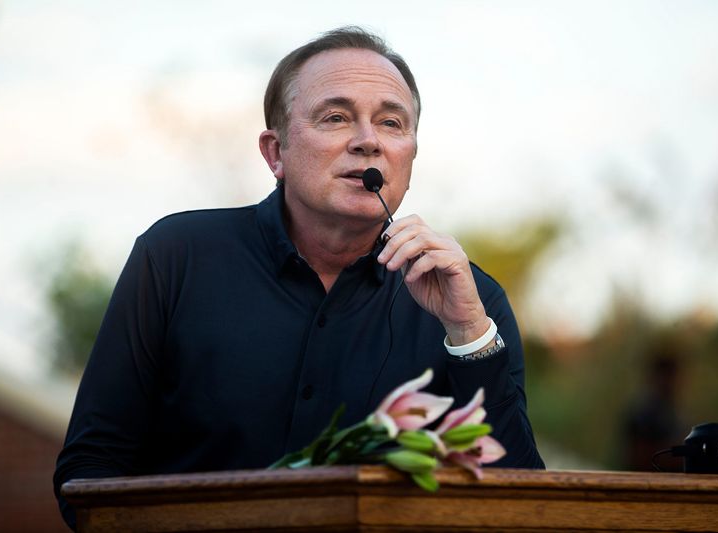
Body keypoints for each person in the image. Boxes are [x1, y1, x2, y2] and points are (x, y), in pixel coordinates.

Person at [54, 26, 544, 529]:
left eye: (391, 123)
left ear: (410, 154)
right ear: (276, 153)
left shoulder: (470, 299)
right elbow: (89, 478)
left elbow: (520, 505)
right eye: (335, 117)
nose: (368, 141)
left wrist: (469, 335)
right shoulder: (175, 257)